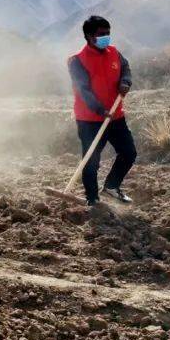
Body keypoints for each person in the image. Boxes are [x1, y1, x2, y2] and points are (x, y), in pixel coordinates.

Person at [67, 15, 136, 206]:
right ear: (89, 36)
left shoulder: (114, 52)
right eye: (101, 34)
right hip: (89, 119)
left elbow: (125, 69)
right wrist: (99, 109)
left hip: (116, 116)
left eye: (108, 33)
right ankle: (92, 199)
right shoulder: (77, 61)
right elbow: (83, 90)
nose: (106, 37)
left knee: (129, 153)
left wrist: (125, 82)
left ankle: (112, 187)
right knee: (91, 160)